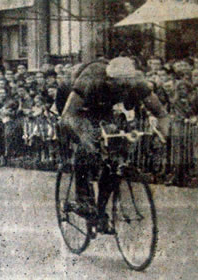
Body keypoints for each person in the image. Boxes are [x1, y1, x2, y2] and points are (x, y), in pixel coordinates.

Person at [59, 57, 170, 233]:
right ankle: (82, 199)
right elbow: (68, 116)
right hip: (75, 106)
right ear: (109, 80)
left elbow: (161, 114)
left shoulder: (138, 83)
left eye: (127, 86)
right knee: (87, 146)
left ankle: (101, 213)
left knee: (114, 159)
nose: (124, 89)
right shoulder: (92, 78)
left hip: (104, 108)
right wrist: (85, 139)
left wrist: (162, 137)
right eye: (119, 86)